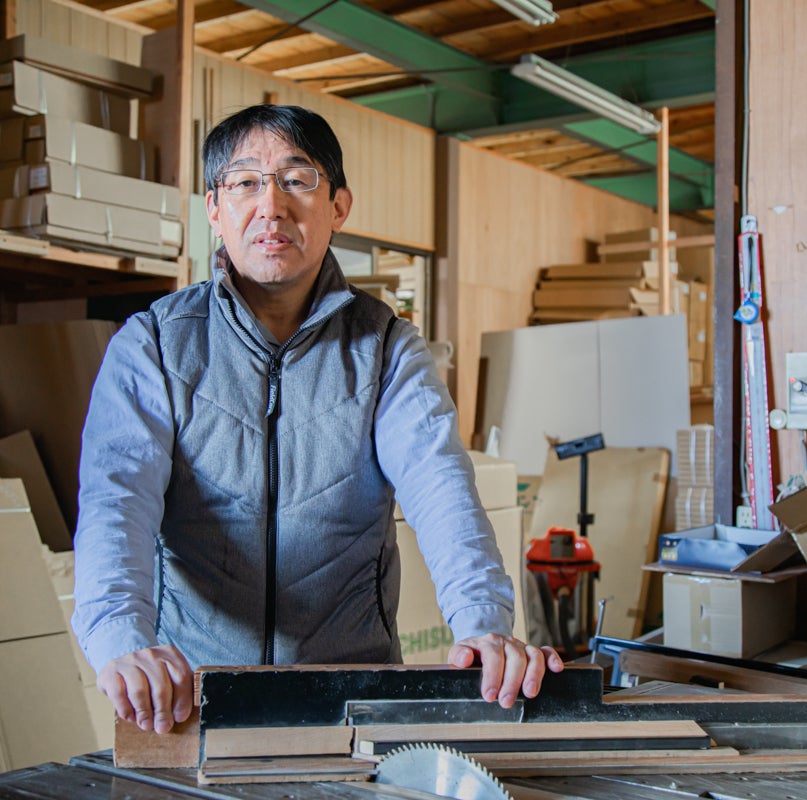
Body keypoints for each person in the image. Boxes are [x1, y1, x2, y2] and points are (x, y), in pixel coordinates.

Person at [71, 103, 563, 735]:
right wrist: (121, 638)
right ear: (214, 209)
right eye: (245, 182)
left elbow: (441, 485)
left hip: (352, 700)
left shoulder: (385, 348)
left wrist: (484, 625)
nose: (270, 206)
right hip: (193, 701)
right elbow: (117, 500)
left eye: (297, 180)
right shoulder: (156, 346)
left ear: (338, 207)